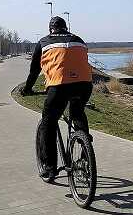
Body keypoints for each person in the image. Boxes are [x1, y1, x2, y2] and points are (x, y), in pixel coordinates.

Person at [22, 16, 93, 180]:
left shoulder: (44, 42)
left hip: (59, 86)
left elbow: (34, 71)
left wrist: (27, 89)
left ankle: (50, 167)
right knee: (78, 113)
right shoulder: (79, 40)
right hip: (84, 84)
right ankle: (85, 155)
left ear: (50, 29)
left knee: (49, 122)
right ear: (65, 28)